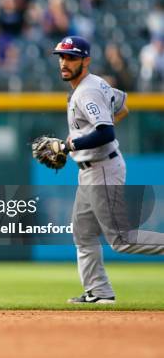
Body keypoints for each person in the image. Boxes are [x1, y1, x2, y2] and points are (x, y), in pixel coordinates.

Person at [51, 35, 164, 304]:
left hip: (102, 168)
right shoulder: (95, 83)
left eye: (72, 57)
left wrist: (69, 146)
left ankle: (99, 291)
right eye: (61, 57)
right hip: (91, 168)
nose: (65, 63)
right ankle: (99, 292)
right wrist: (78, 143)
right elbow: (122, 106)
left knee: (121, 239)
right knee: (83, 232)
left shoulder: (87, 90)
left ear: (85, 61)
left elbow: (105, 132)